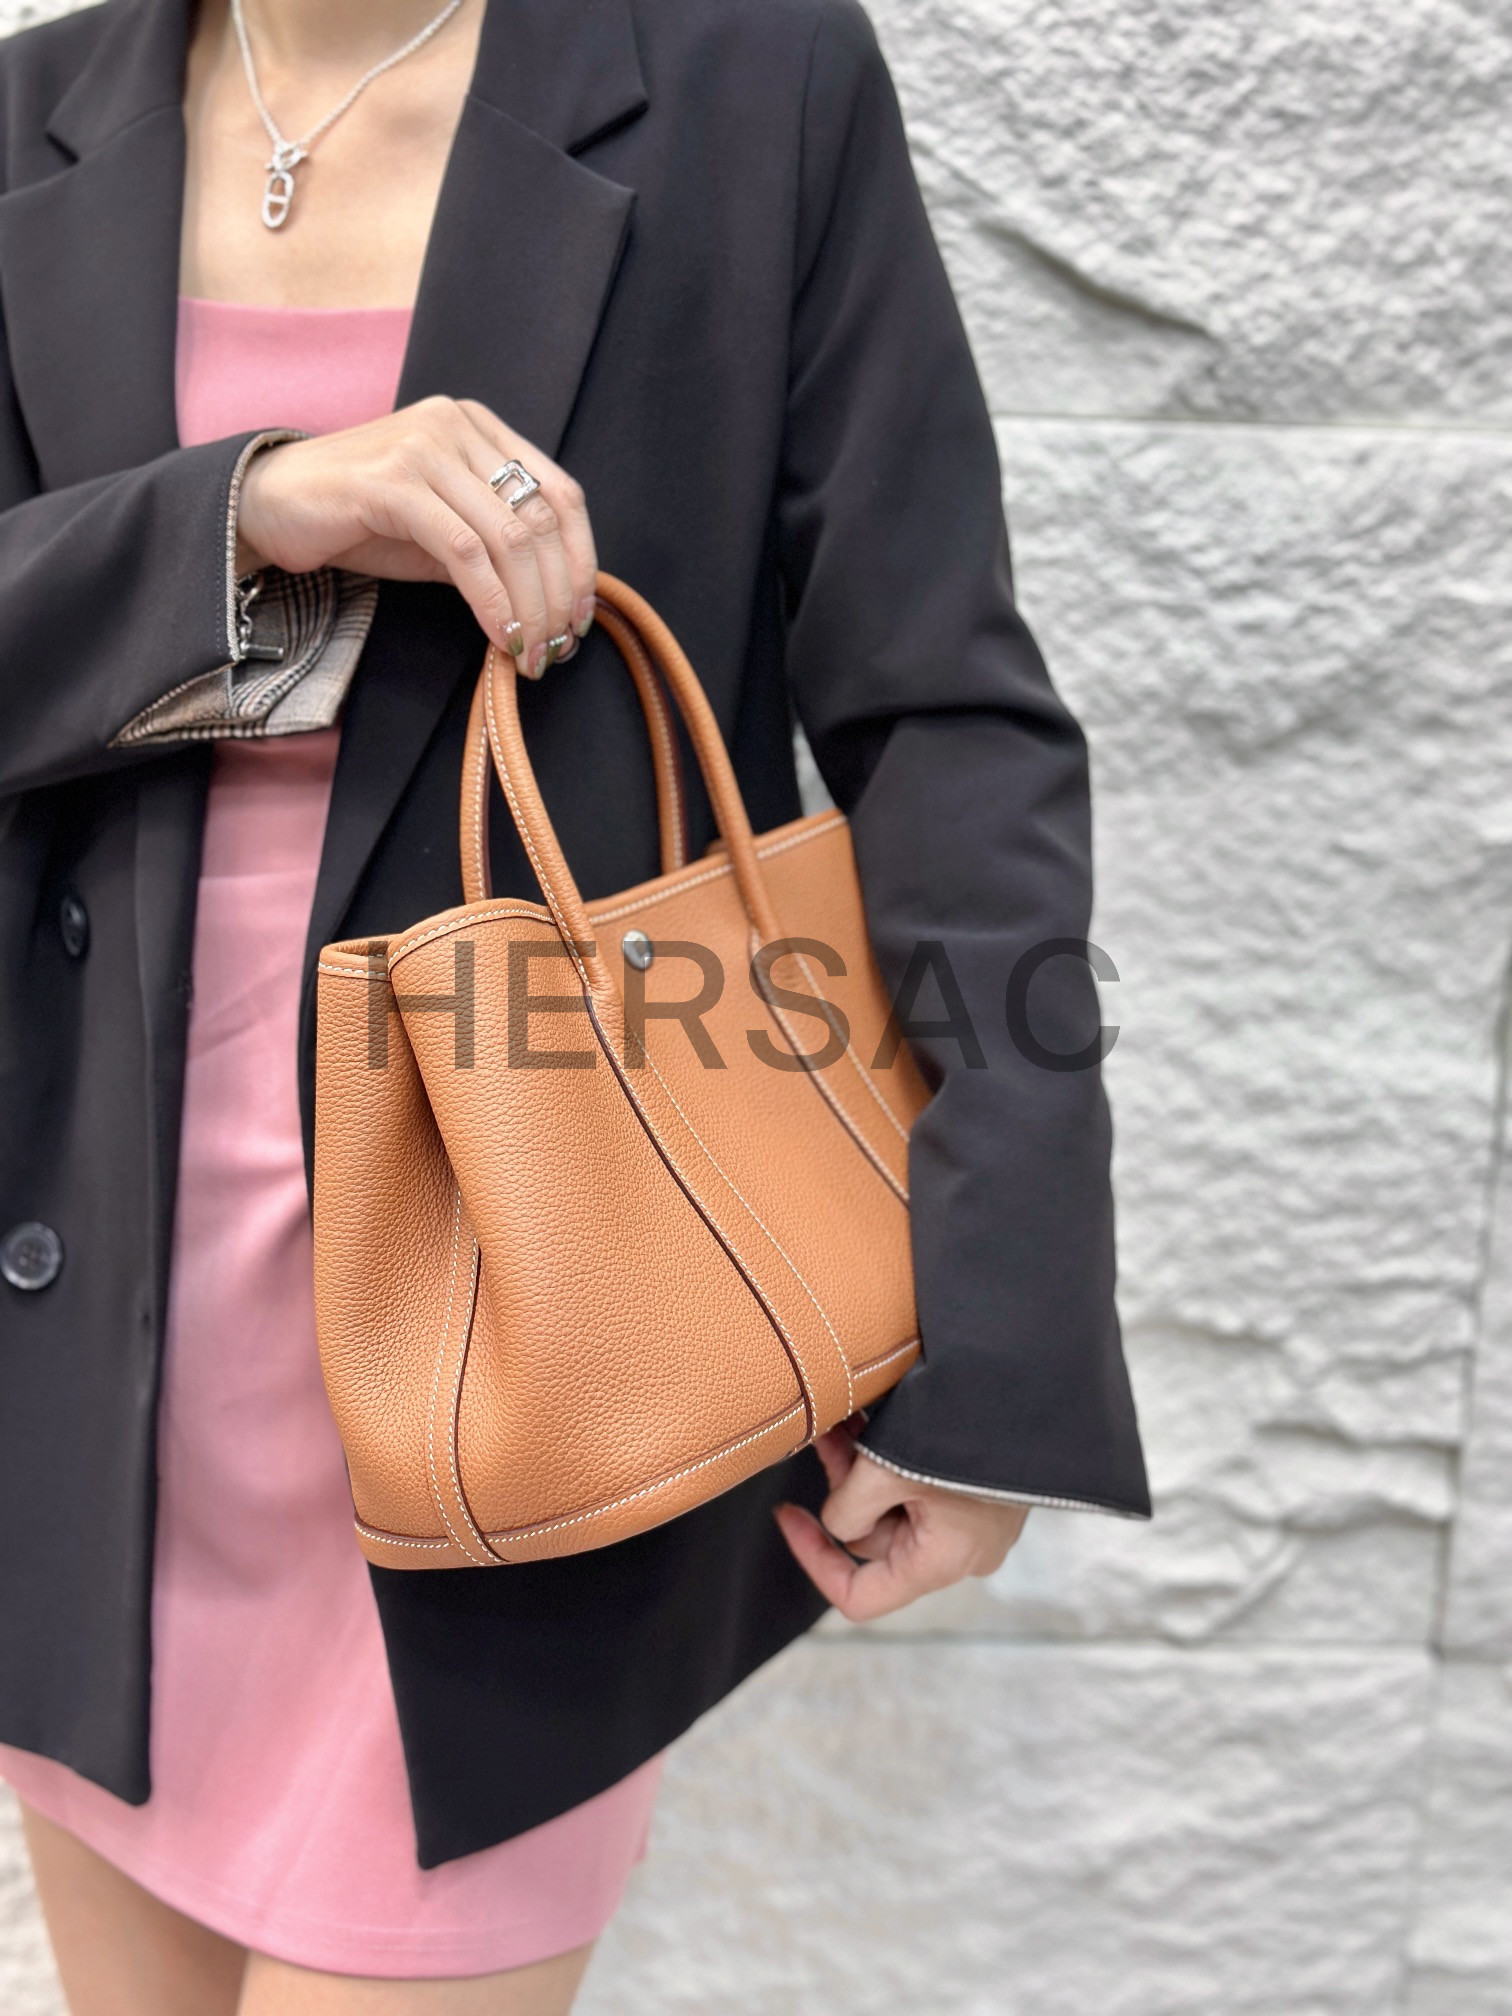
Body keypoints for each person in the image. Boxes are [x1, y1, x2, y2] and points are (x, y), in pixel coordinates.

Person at [0, 0, 1149, 2008]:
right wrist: (246, 516)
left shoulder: (750, 84)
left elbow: (943, 717)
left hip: (540, 1334)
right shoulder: (33, 110)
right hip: (88, 1365)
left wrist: (1002, 1340)